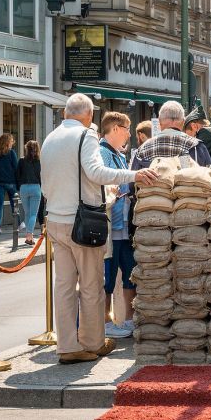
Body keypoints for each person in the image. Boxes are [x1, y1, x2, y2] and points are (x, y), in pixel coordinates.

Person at [41, 94, 157, 365]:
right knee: (92, 284)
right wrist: (134, 175)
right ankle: (92, 342)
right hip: (82, 221)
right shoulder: (86, 136)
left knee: (64, 286)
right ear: (89, 115)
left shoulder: (51, 138)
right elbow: (96, 172)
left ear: (65, 114)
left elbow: (46, 181)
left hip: (55, 219)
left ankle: (67, 345)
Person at [98, 112, 137, 340]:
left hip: (123, 227)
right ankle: (105, 321)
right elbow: (104, 184)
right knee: (108, 277)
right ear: (114, 129)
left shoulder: (119, 155)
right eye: (126, 128)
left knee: (130, 273)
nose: (128, 134)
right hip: (110, 226)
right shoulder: (103, 153)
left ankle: (128, 319)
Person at [133, 101, 211, 169]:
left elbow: (132, 182)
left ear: (159, 122)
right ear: (183, 122)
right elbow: (209, 177)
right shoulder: (195, 146)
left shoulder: (142, 149)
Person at [0, 134, 19, 235]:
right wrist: (18, 182)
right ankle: (18, 224)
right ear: (7, 142)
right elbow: (16, 168)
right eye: (11, 141)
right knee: (14, 203)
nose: (12, 143)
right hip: (11, 182)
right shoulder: (11, 153)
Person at [17, 140, 42, 245]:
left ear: (26, 148)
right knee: (33, 214)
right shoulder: (39, 161)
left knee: (27, 213)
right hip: (35, 187)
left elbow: (17, 175)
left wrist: (19, 188)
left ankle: (29, 237)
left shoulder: (21, 161)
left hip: (23, 188)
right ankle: (29, 235)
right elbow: (41, 177)